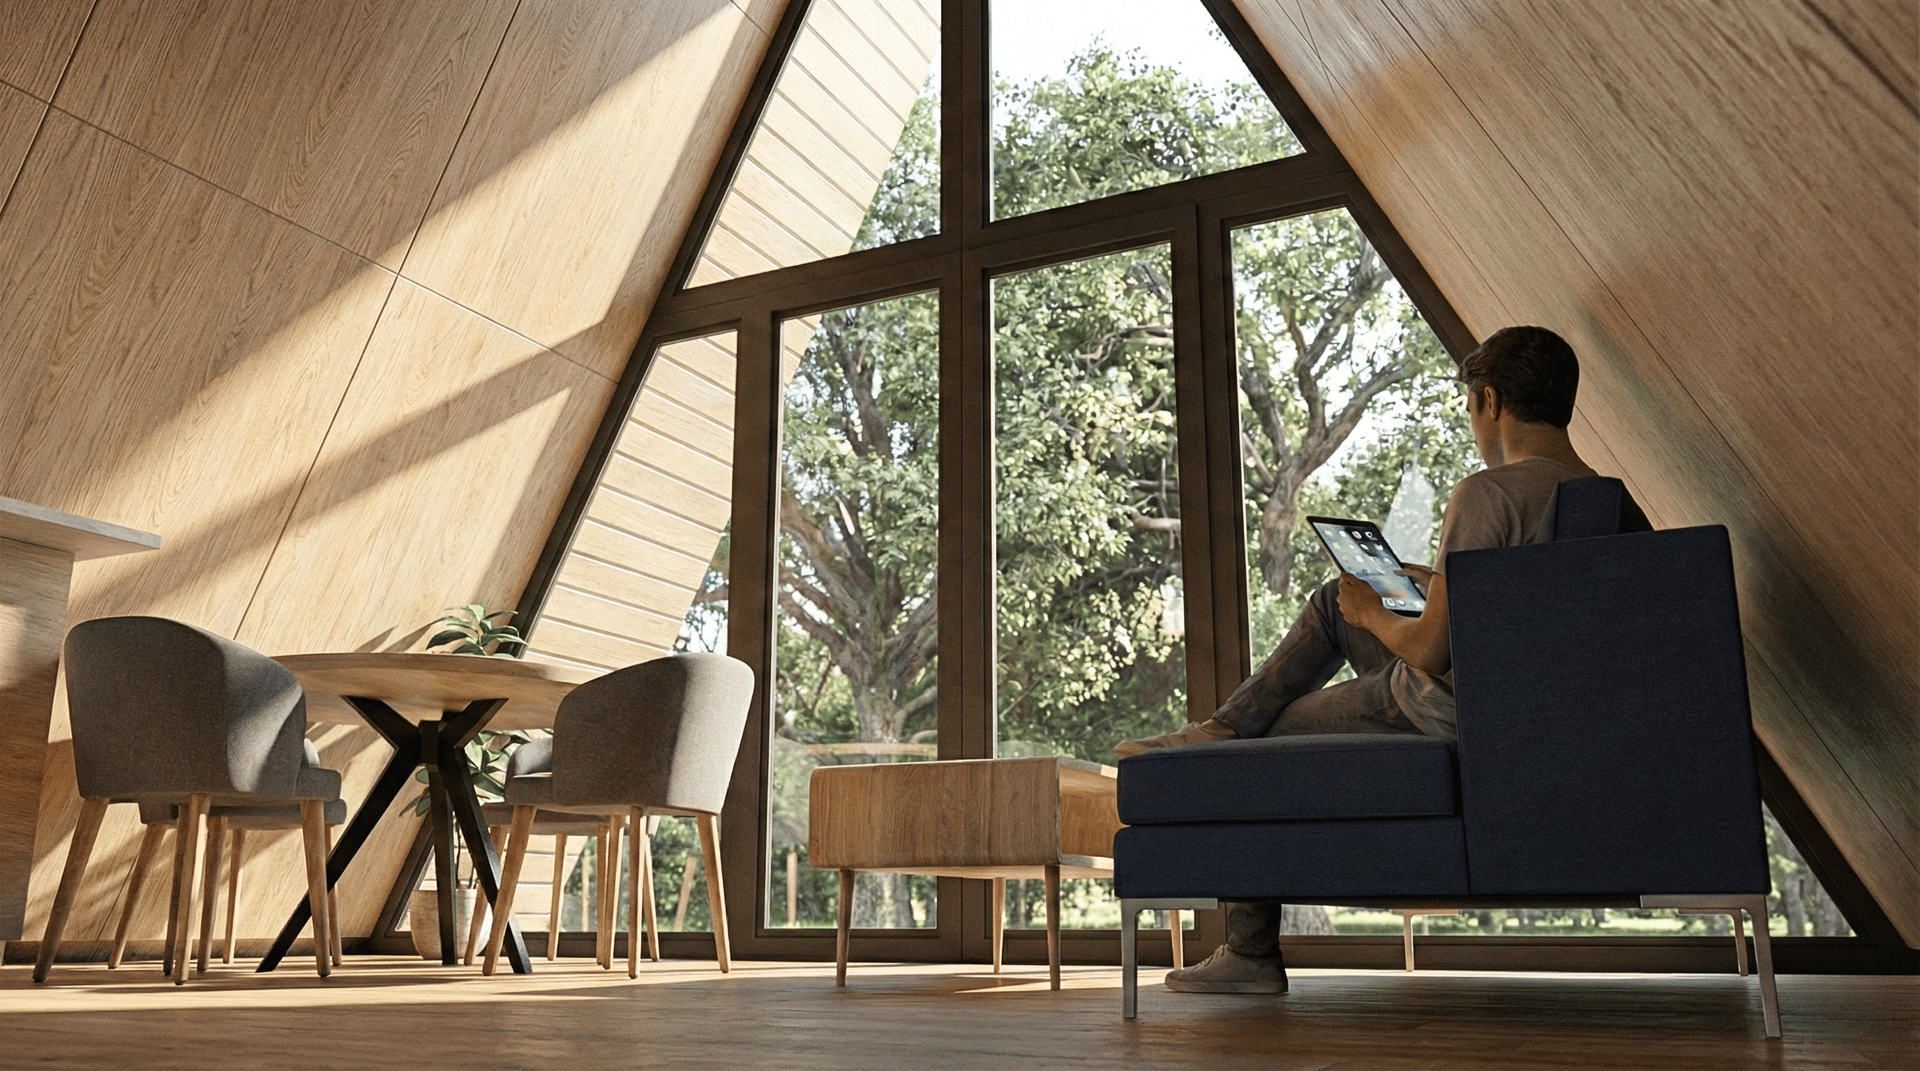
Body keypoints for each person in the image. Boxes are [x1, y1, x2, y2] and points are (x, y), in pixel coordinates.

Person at [1114, 325, 1650, 995]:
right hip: (1513, 705)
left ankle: (1247, 939)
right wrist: (1438, 585)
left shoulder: (1488, 494)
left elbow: (1432, 650)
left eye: (1470, 405)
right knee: (1332, 603)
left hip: (1442, 703)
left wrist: (1375, 612)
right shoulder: (1610, 503)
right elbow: (1539, 628)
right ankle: (1225, 724)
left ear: (1490, 401)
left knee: (1274, 723)